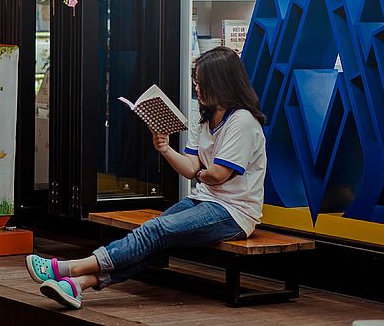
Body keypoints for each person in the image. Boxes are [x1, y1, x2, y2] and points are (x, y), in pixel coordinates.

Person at [25, 46, 267, 309]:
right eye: (196, 82)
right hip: (205, 200)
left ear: (221, 83)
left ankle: (68, 268)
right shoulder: (206, 117)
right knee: (154, 239)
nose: (197, 88)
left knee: (155, 230)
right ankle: (78, 285)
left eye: (202, 83)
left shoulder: (241, 122)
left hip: (234, 213)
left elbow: (218, 175)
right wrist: (165, 148)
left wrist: (202, 174)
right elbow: (191, 169)